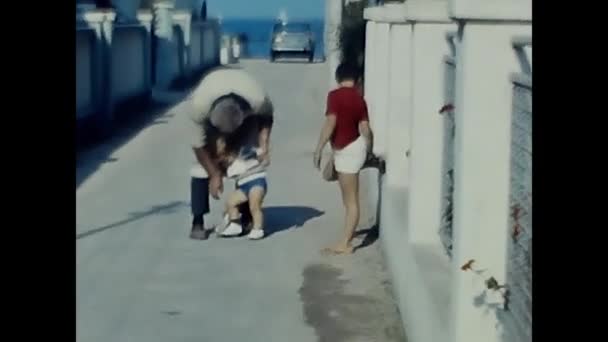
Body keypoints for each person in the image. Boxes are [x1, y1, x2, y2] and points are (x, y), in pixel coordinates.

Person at [188, 66, 273, 240]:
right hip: (212, 125)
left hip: (247, 121)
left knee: (245, 165)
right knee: (200, 170)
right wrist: (214, 174)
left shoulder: (258, 99)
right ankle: (197, 221)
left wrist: (264, 145)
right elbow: (197, 145)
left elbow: (267, 117)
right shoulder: (199, 106)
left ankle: (246, 213)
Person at [313, 63, 373, 255]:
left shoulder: (334, 96)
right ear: (357, 80)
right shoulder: (359, 100)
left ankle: (345, 244)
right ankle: (347, 237)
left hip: (346, 151)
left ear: (339, 78)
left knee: (351, 202)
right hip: (355, 148)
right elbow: (365, 128)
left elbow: (331, 123)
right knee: (349, 199)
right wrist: (369, 150)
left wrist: (319, 148)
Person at [212, 133, 269, 240]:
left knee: (254, 206)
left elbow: (258, 151)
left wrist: (263, 153)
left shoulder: (244, 151)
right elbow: (227, 172)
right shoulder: (229, 166)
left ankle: (258, 228)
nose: (225, 159)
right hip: (244, 186)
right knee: (230, 202)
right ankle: (235, 224)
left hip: (256, 181)